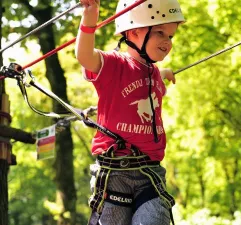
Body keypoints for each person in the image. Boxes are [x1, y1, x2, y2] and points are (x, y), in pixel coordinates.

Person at [75, 0, 185, 224]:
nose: (167, 41)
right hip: (115, 173)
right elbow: (85, 56)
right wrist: (89, 18)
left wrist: (162, 72)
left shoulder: (152, 71)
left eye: (171, 36)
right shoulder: (114, 65)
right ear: (134, 32)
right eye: (160, 33)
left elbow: (146, 77)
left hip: (150, 173)